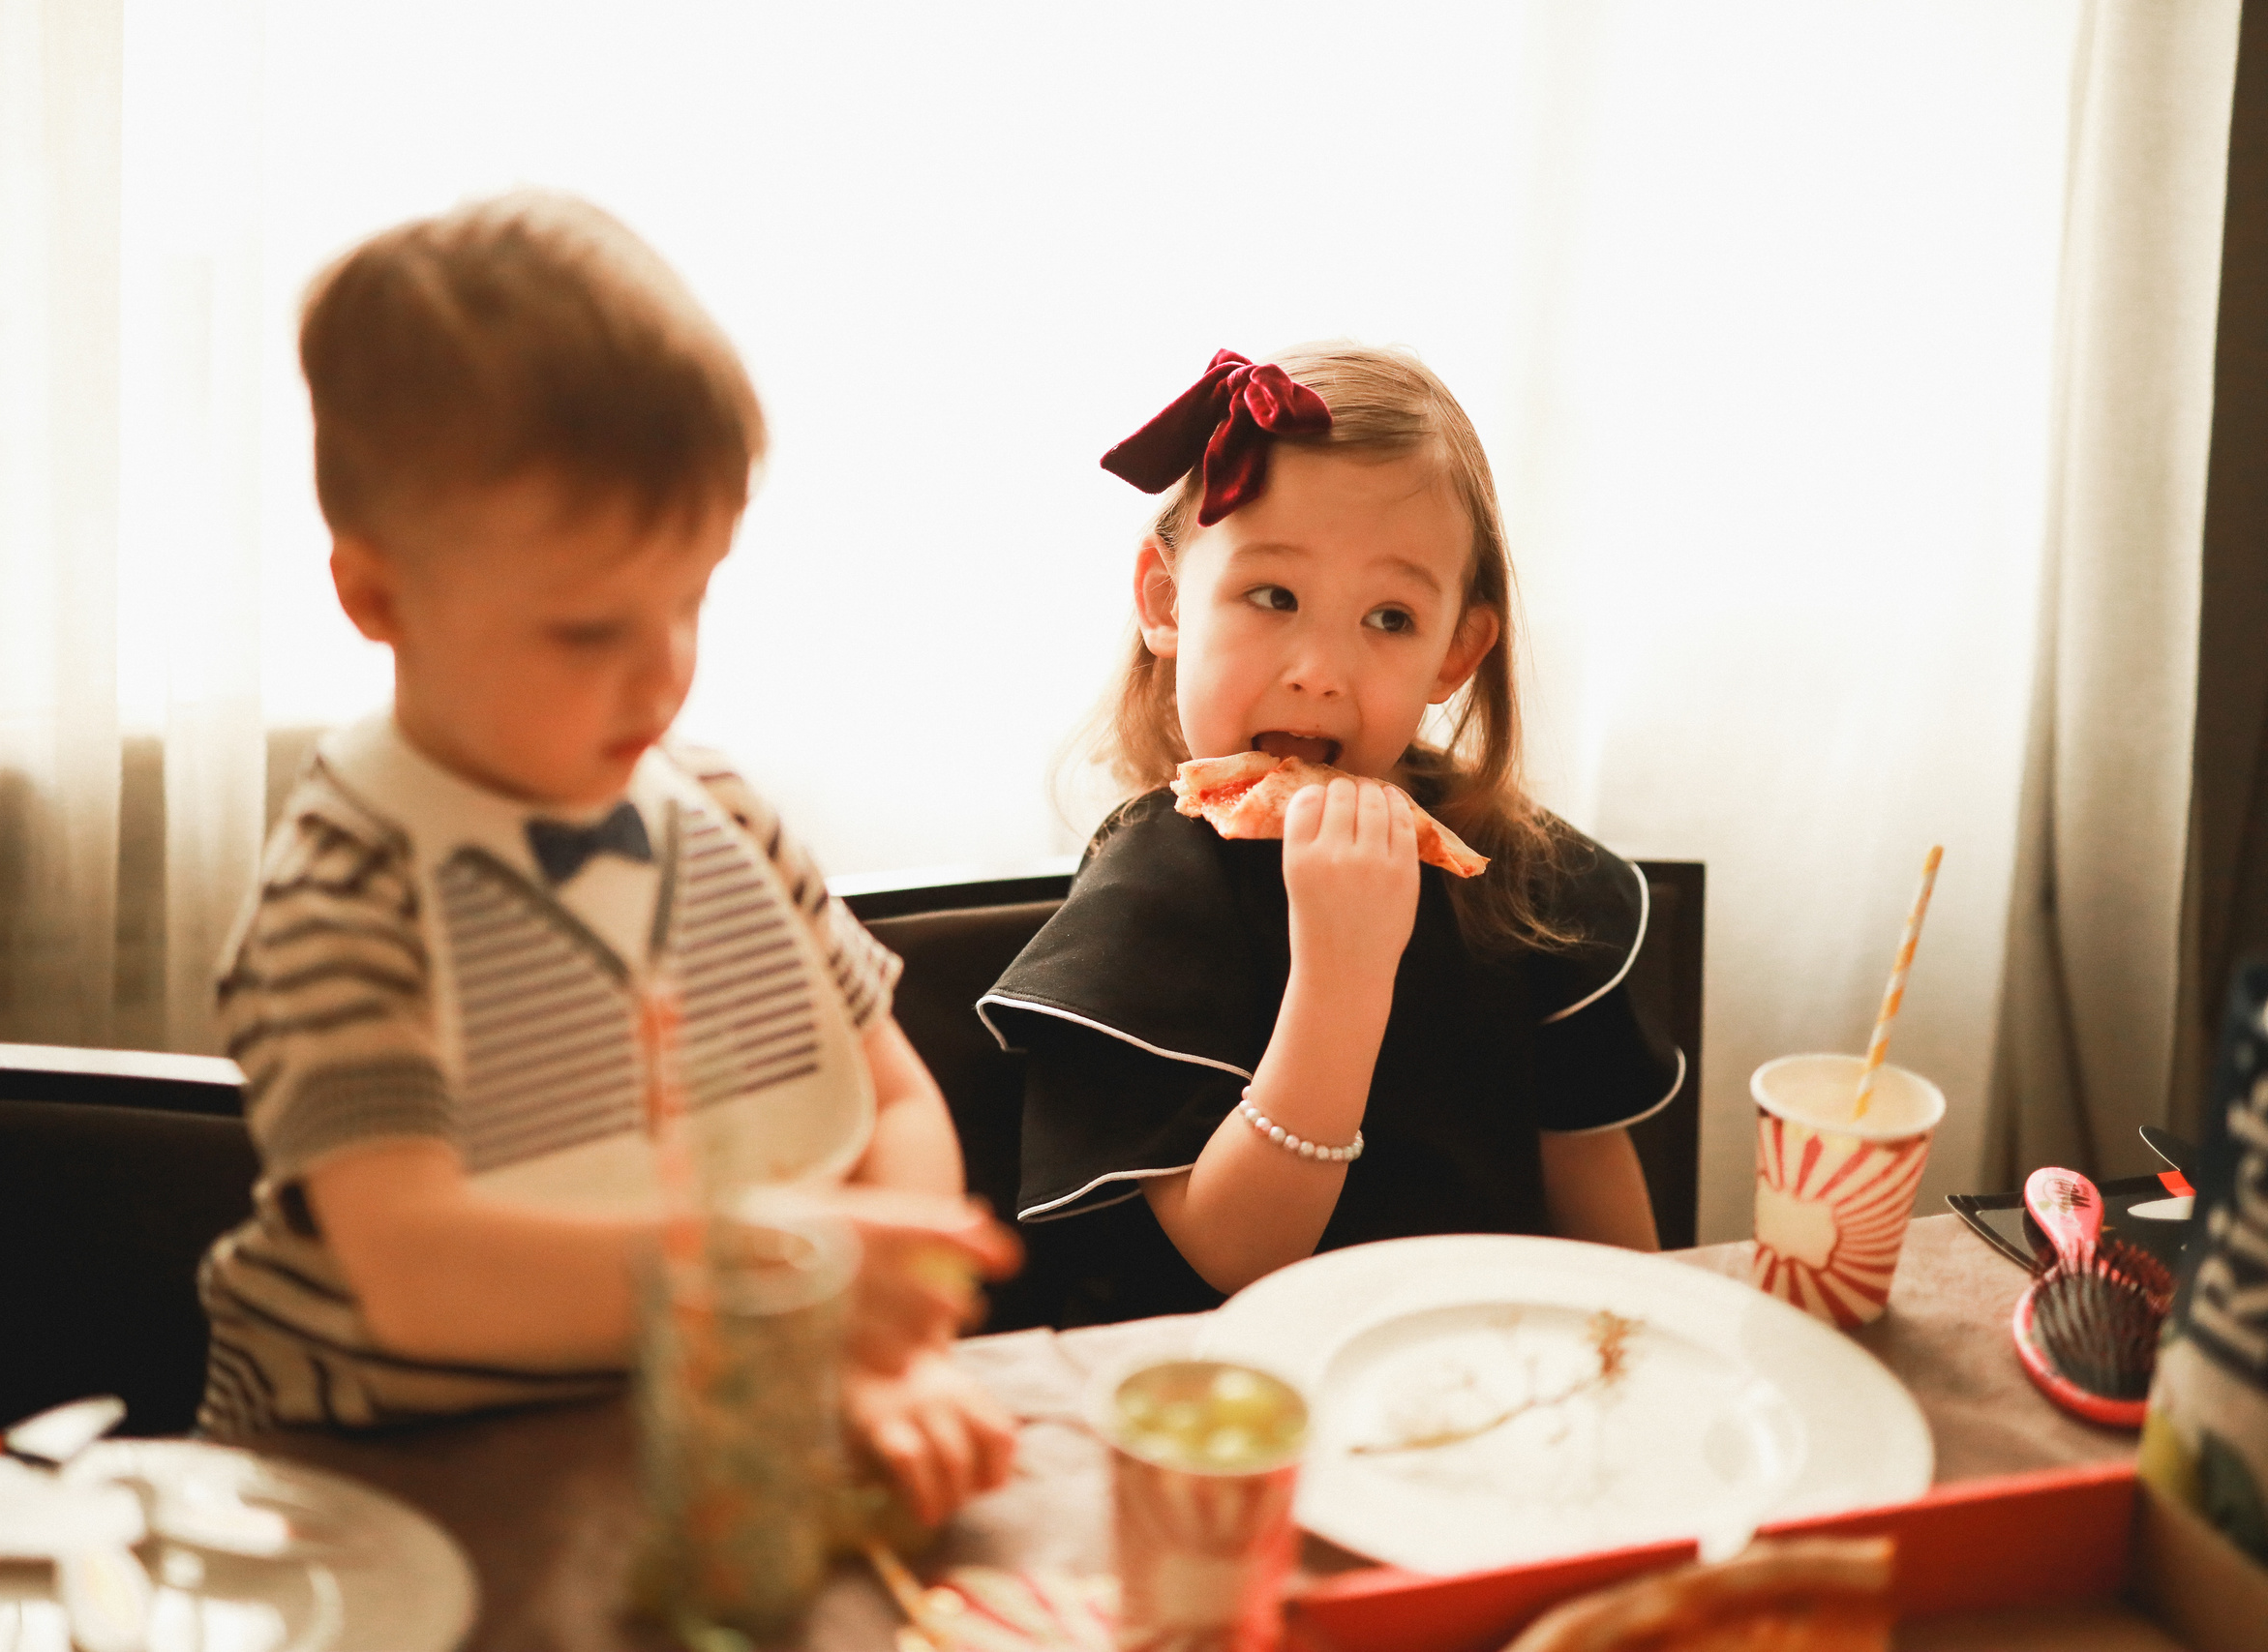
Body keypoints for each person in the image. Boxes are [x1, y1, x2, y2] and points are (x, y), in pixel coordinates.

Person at [197, 193, 1015, 1528]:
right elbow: (419, 1268)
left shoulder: (725, 809)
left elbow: (893, 1107)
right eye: (586, 630)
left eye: (691, 597)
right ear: (377, 595)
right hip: (380, 1486)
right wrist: (783, 1274)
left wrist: (877, 1338)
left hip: (708, 1431)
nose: (665, 669)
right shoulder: (344, 897)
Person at [982, 345, 1677, 1324]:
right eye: (1272, 597)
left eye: (1389, 617)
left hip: (1497, 1368)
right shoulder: (1150, 899)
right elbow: (1241, 1254)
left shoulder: (1515, 867)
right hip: (1242, 1403)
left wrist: (1636, 1340)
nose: (1318, 670)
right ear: (1166, 599)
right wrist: (1344, 974)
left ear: (1455, 653)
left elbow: (1581, 1153)